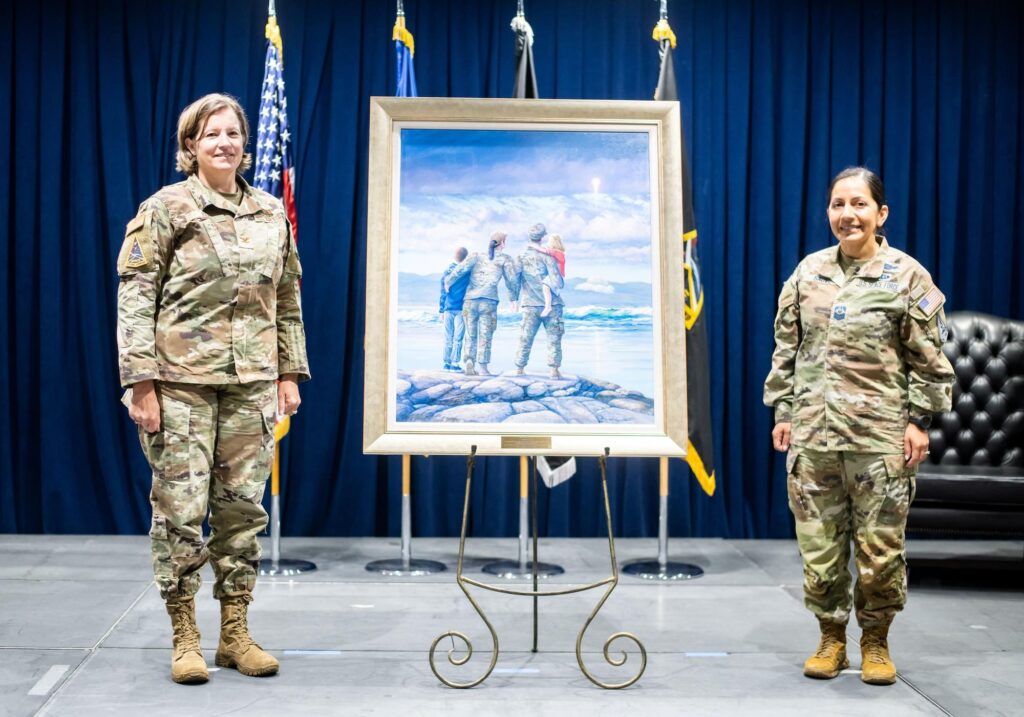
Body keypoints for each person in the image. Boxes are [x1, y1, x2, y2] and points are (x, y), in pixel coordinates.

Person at [116, 93, 310, 685]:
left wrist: (288, 373)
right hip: (181, 386)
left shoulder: (271, 213)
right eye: (211, 135)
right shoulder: (166, 209)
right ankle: (185, 635)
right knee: (180, 513)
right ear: (190, 146)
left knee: (243, 511)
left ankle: (235, 633)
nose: (224, 143)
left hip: (252, 386)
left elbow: (287, 298)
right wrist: (139, 381)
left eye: (232, 133)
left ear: (244, 143)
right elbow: (135, 295)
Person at [763, 167, 954, 685]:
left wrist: (919, 420)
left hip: (880, 440)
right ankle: (830, 638)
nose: (847, 214)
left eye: (859, 204)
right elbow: (787, 349)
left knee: (879, 551)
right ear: (829, 212)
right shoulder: (808, 273)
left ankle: (875, 641)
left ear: (880, 213)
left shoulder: (907, 276)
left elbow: (931, 360)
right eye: (837, 205)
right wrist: (783, 411)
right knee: (820, 548)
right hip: (814, 436)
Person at [444, 232, 517, 376]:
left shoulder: (476, 255)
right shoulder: (505, 259)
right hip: (489, 302)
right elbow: (512, 280)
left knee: (470, 334)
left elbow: (460, 269)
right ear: (502, 243)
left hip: (470, 301)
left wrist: (448, 281)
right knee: (486, 335)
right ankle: (483, 368)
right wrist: (513, 299)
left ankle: (469, 362)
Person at [511, 223, 565, 378]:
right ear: (542, 238)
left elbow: (515, 280)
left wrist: (513, 299)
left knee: (525, 337)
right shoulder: (548, 256)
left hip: (529, 304)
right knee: (554, 338)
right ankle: (554, 370)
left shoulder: (520, 256)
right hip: (553, 305)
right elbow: (557, 282)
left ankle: (519, 368)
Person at [439, 247, 470, 370]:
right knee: (458, 337)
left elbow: (443, 293)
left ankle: (446, 363)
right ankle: (455, 363)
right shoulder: (466, 272)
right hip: (461, 309)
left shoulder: (447, 271)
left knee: (448, 337)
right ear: (466, 257)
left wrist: (441, 310)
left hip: (448, 308)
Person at [529, 232, 566, 317]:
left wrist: (533, 246)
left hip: (557, 276)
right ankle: (548, 306)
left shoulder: (558, 253)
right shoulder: (558, 253)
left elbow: (545, 250)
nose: (548, 243)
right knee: (547, 288)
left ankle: (548, 307)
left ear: (554, 242)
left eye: (550, 241)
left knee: (545, 286)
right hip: (556, 276)